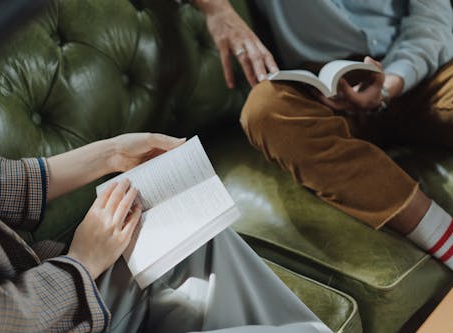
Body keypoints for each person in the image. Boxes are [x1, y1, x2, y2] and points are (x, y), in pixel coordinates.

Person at [0, 103, 332, 332]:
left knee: (190, 232)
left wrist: (111, 154)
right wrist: (81, 262)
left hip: (37, 280)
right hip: (32, 311)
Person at [194, 0, 453, 269]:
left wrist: (390, 83)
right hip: (322, 96)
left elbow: (433, 18)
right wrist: (217, 10)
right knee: (264, 110)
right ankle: (446, 238)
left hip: (417, 74)